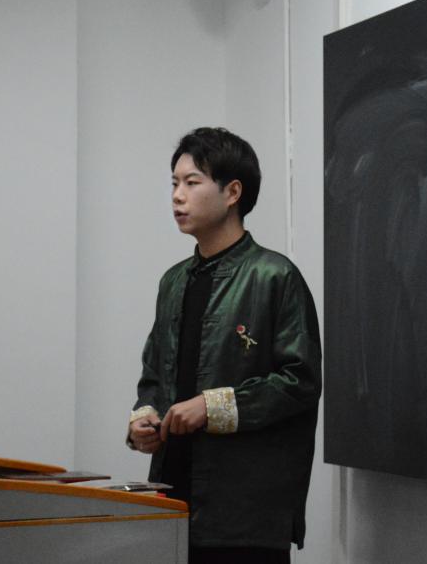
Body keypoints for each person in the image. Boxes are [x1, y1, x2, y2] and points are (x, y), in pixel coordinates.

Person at [127, 127, 321, 564]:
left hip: (245, 515)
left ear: (233, 192)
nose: (177, 196)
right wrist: (144, 418)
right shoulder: (173, 281)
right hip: (172, 501)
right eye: (174, 183)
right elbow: (155, 375)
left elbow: (300, 382)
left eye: (191, 182)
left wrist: (210, 407)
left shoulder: (275, 277)